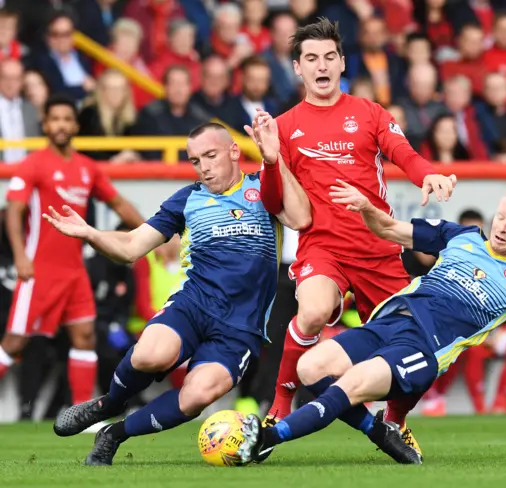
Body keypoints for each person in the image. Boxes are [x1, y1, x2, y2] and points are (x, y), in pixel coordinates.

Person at [239, 183, 506, 466]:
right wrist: (368, 206)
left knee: (351, 385)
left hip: (423, 348)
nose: (502, 227)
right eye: (500, 217)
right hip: (390, 322)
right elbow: (389, 230)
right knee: (310, 367)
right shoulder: (461, 236)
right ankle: (380, 431)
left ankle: (267, 438)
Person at [246, 17, 455, 459]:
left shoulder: (370, 113)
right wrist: (268, 160)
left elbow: (405, 154)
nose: (321, 66)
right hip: (323, 246)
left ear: (342, 63)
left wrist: (429, 173)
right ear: (298, 69)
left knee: (420, 341)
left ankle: (394, 423)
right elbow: (273, 201)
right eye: (310, 59)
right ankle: (280, 407)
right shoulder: (282, 127)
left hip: (379, 247)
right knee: (315, 309)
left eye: (328, 57)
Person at [46, 121, 314, 466]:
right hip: (193, 304)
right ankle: (109, 403)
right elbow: (131, 247)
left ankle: (114, 433)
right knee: (149, 355)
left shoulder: (264, 188)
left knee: (197, 396)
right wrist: (90, 234)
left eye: (210, 156)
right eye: (195, 160)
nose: (203, 167)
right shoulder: (187, 199)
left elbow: (301, 217)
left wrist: (274, 160)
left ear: (234, 151)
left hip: (240, 326)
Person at [0, 94, 144, 409]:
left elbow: (118, 203)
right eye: (55, 119)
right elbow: (13, 211)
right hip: (38, 270)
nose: (61, 125)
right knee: (13, 343)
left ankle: (80, 415)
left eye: (67, 119)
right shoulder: (33, 164)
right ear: (45, 124)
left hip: (75, 272)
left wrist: (154, 232)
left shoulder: (86, 168)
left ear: (75, 125)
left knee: (85, 338)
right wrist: (21, 256)